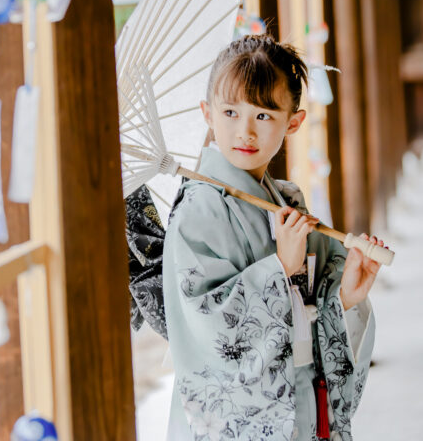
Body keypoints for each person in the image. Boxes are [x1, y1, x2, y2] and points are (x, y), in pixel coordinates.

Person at [162, 34, 386, 441]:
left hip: (303, 399)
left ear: (293, 122)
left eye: (264, 116)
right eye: (230, 112)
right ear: (207, 113)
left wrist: (345, 296)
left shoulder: (288, 202)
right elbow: (208, 327)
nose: (245, 131)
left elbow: (319, 302)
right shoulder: (198, 211)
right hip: (243, 419)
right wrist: (281, 267)